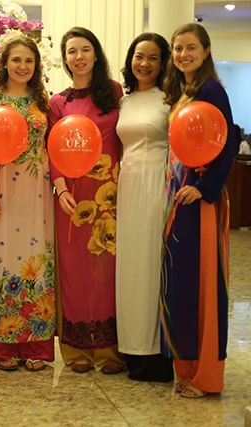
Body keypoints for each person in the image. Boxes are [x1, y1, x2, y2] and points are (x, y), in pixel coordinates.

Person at [161, 23, 238, 398]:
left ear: (206, 51)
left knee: (200, 286)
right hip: (179, 199)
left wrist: (205, 189)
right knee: (181, 283)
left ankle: (205, 375)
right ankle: (187, 367)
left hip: (198, 202)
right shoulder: (185, 90)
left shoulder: (211, 90)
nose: (183, 54)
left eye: (191, 47)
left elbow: (227, 142)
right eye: (178, 48)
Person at [0, 35, 55, 372]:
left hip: (36, 194)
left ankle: (35, 343)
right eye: (16, 60)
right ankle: (1, 345)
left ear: (36, 66)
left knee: (36, 260)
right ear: (5, 63)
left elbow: (50, 148)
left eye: (29, 61)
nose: (22, 66)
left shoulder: (42, 102)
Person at [48, 27, 124, 375]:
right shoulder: (58, 103)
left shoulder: (114, 92)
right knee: (75, 272)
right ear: (65, 59)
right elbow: (52, 149)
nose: (78, 57)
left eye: (85, 50)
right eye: (72, 51)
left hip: (109, 195)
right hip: (72, 199)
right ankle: (76, 348)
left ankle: (110, 351)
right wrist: (61, 189)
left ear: (96, 54)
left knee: (106, 274)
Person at [115, 33, 174, 382]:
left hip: (157, 186)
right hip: (128, 186)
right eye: (139, 56)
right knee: (130, 267)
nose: (145, 63)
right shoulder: (124, 101)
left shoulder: (170, 99)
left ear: (163, 62)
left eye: (153, 57)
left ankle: (157, 352)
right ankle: (131, 349)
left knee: (152, 265)